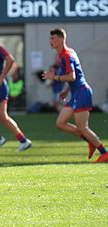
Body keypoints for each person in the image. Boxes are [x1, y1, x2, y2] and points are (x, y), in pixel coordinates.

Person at [42, 28, 108, 163]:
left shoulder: (66, 55)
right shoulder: (68, 52)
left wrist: (53, 77)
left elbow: (71, 76)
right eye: (50, 38)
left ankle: (104, 152)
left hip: (82, 93)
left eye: (53, 38)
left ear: (61, 40)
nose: (51, 41)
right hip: (76, 93)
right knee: (60, 123)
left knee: (83, 127)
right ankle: (89, 140)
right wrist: (67, 90)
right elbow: (75, 76)